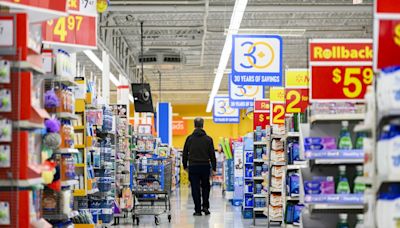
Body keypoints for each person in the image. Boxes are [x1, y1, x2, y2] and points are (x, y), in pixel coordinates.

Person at [183, 117, 216, 216]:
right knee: (206, 187)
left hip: (193, 166)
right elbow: (212, 155)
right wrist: (213, 168)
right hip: (205, 166)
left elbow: (184, 153)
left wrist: (185, 166)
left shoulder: (189, 139)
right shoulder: (208, 139)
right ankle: (205, 207)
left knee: (195, 188)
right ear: (203, 125)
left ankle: (197, 210)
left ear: (194, 125)